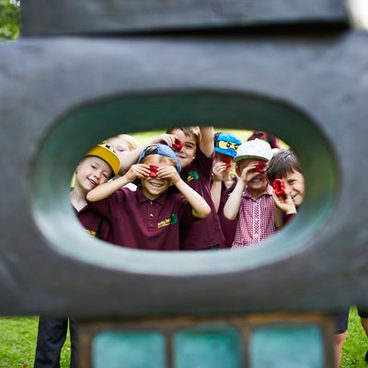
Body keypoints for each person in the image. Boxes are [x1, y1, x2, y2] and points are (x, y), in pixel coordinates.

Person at [34, 143, 120, 368]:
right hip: (55, 285)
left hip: (86, 289)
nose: (97, 176)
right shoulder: (53, 201)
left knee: (83, 344)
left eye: (104, 175)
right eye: (93, 166)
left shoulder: (102, 212)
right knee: (48, 340)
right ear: (77, 165)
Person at [86, 143, 211, 250]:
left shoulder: (176, 202)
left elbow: (204, 211)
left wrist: (178, 181)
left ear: (172, 179)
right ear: (140, 173)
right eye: (150, 171)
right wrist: (127, 177)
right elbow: (92, 196)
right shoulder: (122, 198)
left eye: (164, 174)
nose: (157, 178)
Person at [153, 126, 225, 250]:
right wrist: (154, 142)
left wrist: (194, 112)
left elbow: (207, 137)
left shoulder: (200, 165)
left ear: (196, 153)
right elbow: (123, 169)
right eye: (175, 143)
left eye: (189, 146)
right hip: (177, 244)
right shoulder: (158, 169)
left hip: (207, 241)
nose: (181, 149)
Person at [223, 139, 275, 248]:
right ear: (238, 171)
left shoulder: (275, 195)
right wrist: (242, 180)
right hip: (242, 254)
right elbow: (229, 214)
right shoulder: (238, 195)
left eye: (260, 168)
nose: (255, 175)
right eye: (249, 170)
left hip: (269, 253)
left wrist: (269, 176)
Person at [210, 132, 241, 248]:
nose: (219, 163)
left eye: (228, 159)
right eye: (215, 158)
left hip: (235, 242)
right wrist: (217, 181)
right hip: (214, 244)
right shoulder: (206, 183)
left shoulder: (239, 184)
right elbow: (211, 211)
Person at [266, 149, 305, 227]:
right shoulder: (285, 210)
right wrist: (289, 211)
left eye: (292, 182)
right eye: (280, 186)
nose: (286, 191)